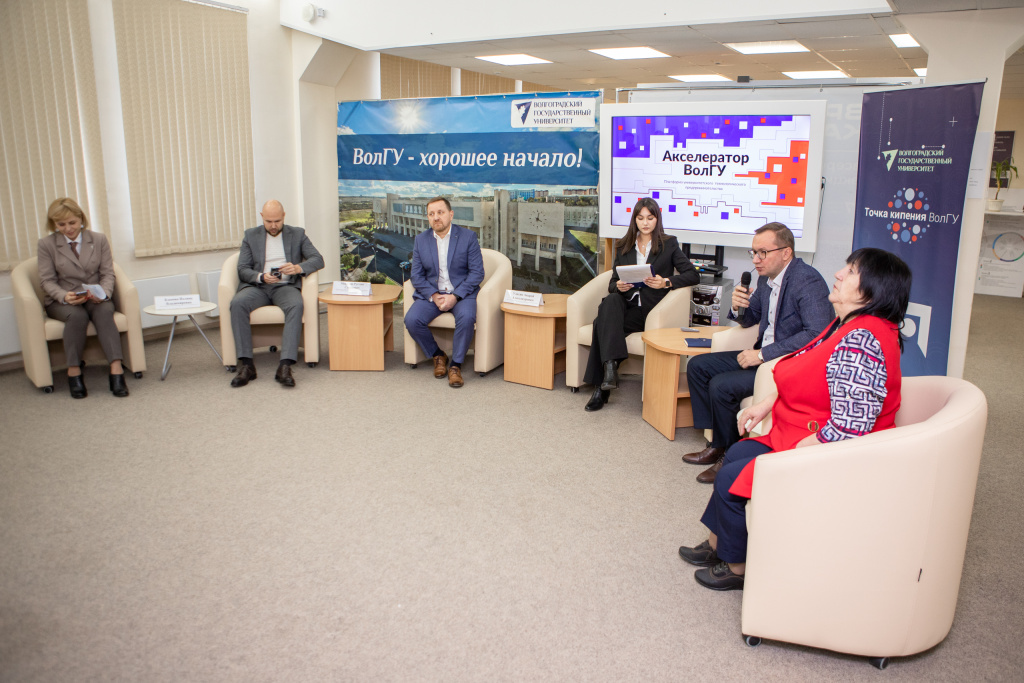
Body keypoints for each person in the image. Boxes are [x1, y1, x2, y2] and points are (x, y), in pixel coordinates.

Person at [678, 248, 912, 591]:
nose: (838, 274)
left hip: (820, 448)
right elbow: (811, 375)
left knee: (731, 475)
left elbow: (850, 428)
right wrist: (767, 404)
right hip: (797, 427)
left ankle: (737, 566)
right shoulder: (847, 325)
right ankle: (718, 544)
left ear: (873, 289)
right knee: (738, 453)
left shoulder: (863, 341)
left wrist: (796, 456)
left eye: (850, 271)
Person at [682, 223, 833, 482]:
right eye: (753, 252)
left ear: (786, 252)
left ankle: (729, 455)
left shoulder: (807, 280)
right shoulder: (765, 278)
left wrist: (762, 354)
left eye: (763, 252)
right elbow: (751, 319)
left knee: (721, 385)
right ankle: (717, 442)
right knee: (697, 366)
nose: (755, 260)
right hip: (762, 355)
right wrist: (738, 307)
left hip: (785, 364)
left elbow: (817, 333)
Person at [583, 197, 699, 411]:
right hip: (625, 305)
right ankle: (609, 371)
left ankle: (602, 386)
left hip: (649, 310)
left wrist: (665, 282)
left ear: (657, 219)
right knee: (612, 299)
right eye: (640, 218)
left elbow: (693, 275)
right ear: (634, 220)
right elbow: (612, 283)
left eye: (650, 218)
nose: (645, 223)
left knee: (601, 322)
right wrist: (619, 286)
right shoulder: (623, 245)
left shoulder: (669, 244)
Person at [37, 198, 130, 399]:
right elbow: (46, 281)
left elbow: (107, 273)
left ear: (81, 219)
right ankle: (74, 371)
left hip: (95, 297)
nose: (68, 228)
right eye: (61, 224)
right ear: (54, 224)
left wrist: (103, 294)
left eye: (72, 222)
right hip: (63, 301)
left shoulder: (98, 239)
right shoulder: (46, 245)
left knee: (105, 312)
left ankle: (116, 370)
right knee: (77, 316)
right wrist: (64, 296)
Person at [229, 200, 324, 388]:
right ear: (262, 217)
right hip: (258, 287)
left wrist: (297, 268)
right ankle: (247, 365)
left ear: (284, 216)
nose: (273, 226)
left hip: (285, 287)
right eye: (269, 221)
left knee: (296, 304)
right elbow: (242, 269)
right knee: (237, 303)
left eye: (277, 221)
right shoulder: (250, 235)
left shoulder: (297, 234)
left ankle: (285, 366)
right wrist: (261, 277)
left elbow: (318, 259)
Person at [406, 196, 485, 388]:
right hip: (434, 294)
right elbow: (416, 276)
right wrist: (434, 295)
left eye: (440, 212)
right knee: (412, 320)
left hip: (461, 293)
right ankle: (438, 355)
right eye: (431, 214)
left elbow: (477, 273)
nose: (436, 217)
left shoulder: (468, 237)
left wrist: (455, 296)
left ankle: (455, 366)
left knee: (467, 318)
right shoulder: (421, 240)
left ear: (451, 214)